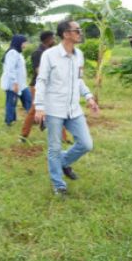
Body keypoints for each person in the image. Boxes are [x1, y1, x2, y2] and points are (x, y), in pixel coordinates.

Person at [34, 20, 99, 196]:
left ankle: (61, 162)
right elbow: (42, 80)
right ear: (66, 34)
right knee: (54, 147)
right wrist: (39, 106)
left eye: (80, 30)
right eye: (77, 30)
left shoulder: (79, 55)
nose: (80, 33)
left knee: (86, 144)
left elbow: (79, 80)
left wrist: (89, 96)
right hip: (54, 109)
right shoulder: (49, 55)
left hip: (73, 109)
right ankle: (58, 185)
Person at [20, 31, 70, 143]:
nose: (55, 41)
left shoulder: (51, 52)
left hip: (51, 85)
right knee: (34, 110)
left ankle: (64, 138)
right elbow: (39, 71)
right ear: (48, 39)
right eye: (53, 38)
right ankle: (23, 135)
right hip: (38, 86)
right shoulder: (38, 53)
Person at [0, 35, 32, 126]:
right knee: (11, 103)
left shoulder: (18, 53)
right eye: (24, 43)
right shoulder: (12, 53)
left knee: (29, 100)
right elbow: (10, 69)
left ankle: (33, 119)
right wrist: (14, 83)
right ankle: (9, 122)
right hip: (13, 84)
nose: (25, 45)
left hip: (22, 84)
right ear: (19, 42)